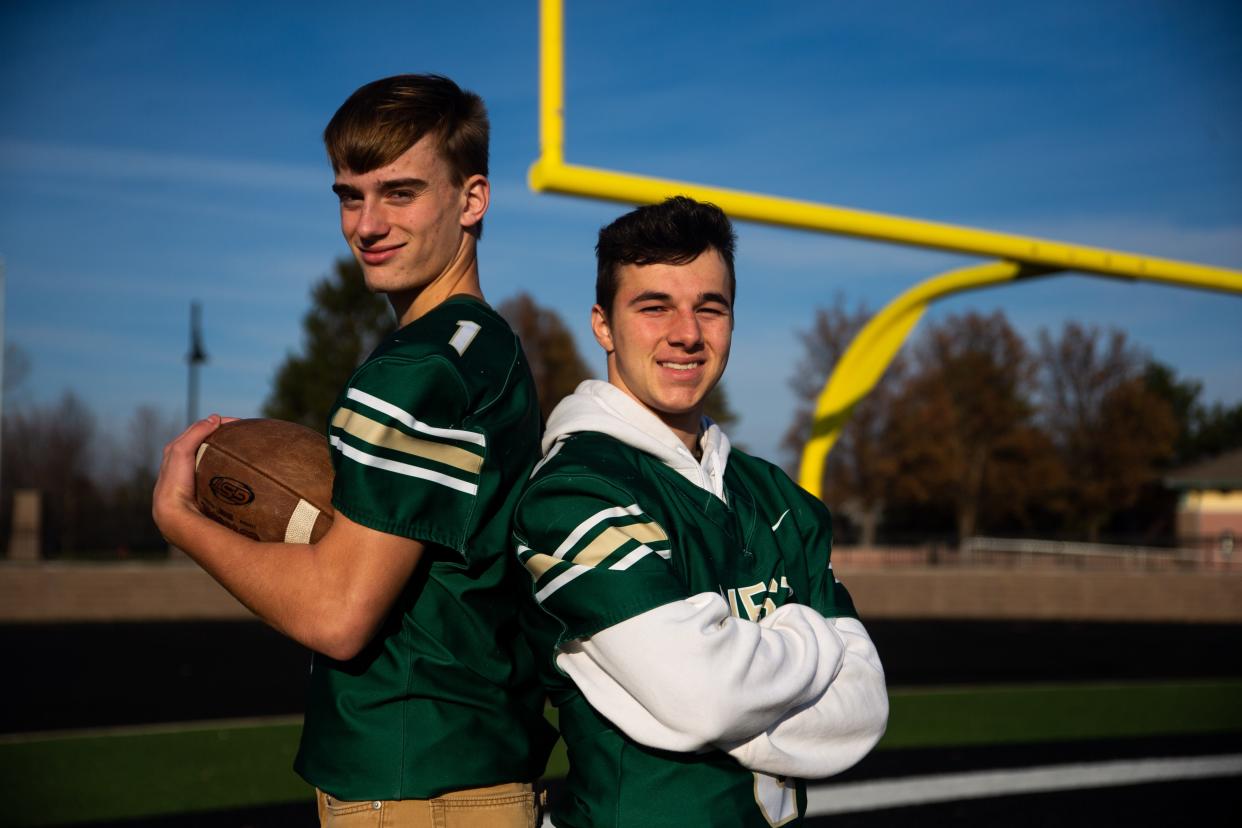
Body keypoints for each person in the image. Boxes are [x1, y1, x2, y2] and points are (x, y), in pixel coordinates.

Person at [152, 74, 554, 827]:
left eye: (400, 193)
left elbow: (339, 611)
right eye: (349, 195)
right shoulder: (483, 343)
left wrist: (182, 521)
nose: (366, 223)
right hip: (467, 762)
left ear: (473, 199)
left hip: (413, 782)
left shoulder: (420, 367)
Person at [512, 196, 888, 827]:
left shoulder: (775, 496)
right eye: (653, 306)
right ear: (602, 324)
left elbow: (866, 705)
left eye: (708, 308)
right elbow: (705, 696)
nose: (686, 333)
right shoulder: (574, 489)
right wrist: (811, 641)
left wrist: (718, 693)